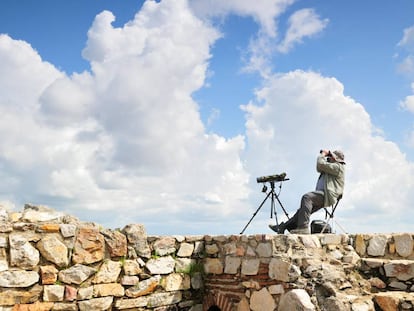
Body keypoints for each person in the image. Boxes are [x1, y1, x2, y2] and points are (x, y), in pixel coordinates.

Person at [269, 149, 345, 234]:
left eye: (331, 156)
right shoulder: (332, 167)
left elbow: (320, 164)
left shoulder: (338, 167)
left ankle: (303, 228)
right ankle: (283, 227)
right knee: (301, 210)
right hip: (324, 195)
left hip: (328, 196)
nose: (329, 157)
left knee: (307, 198)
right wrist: (327, 157)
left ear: (336, 159)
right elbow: (319, 167)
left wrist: (323, 155)